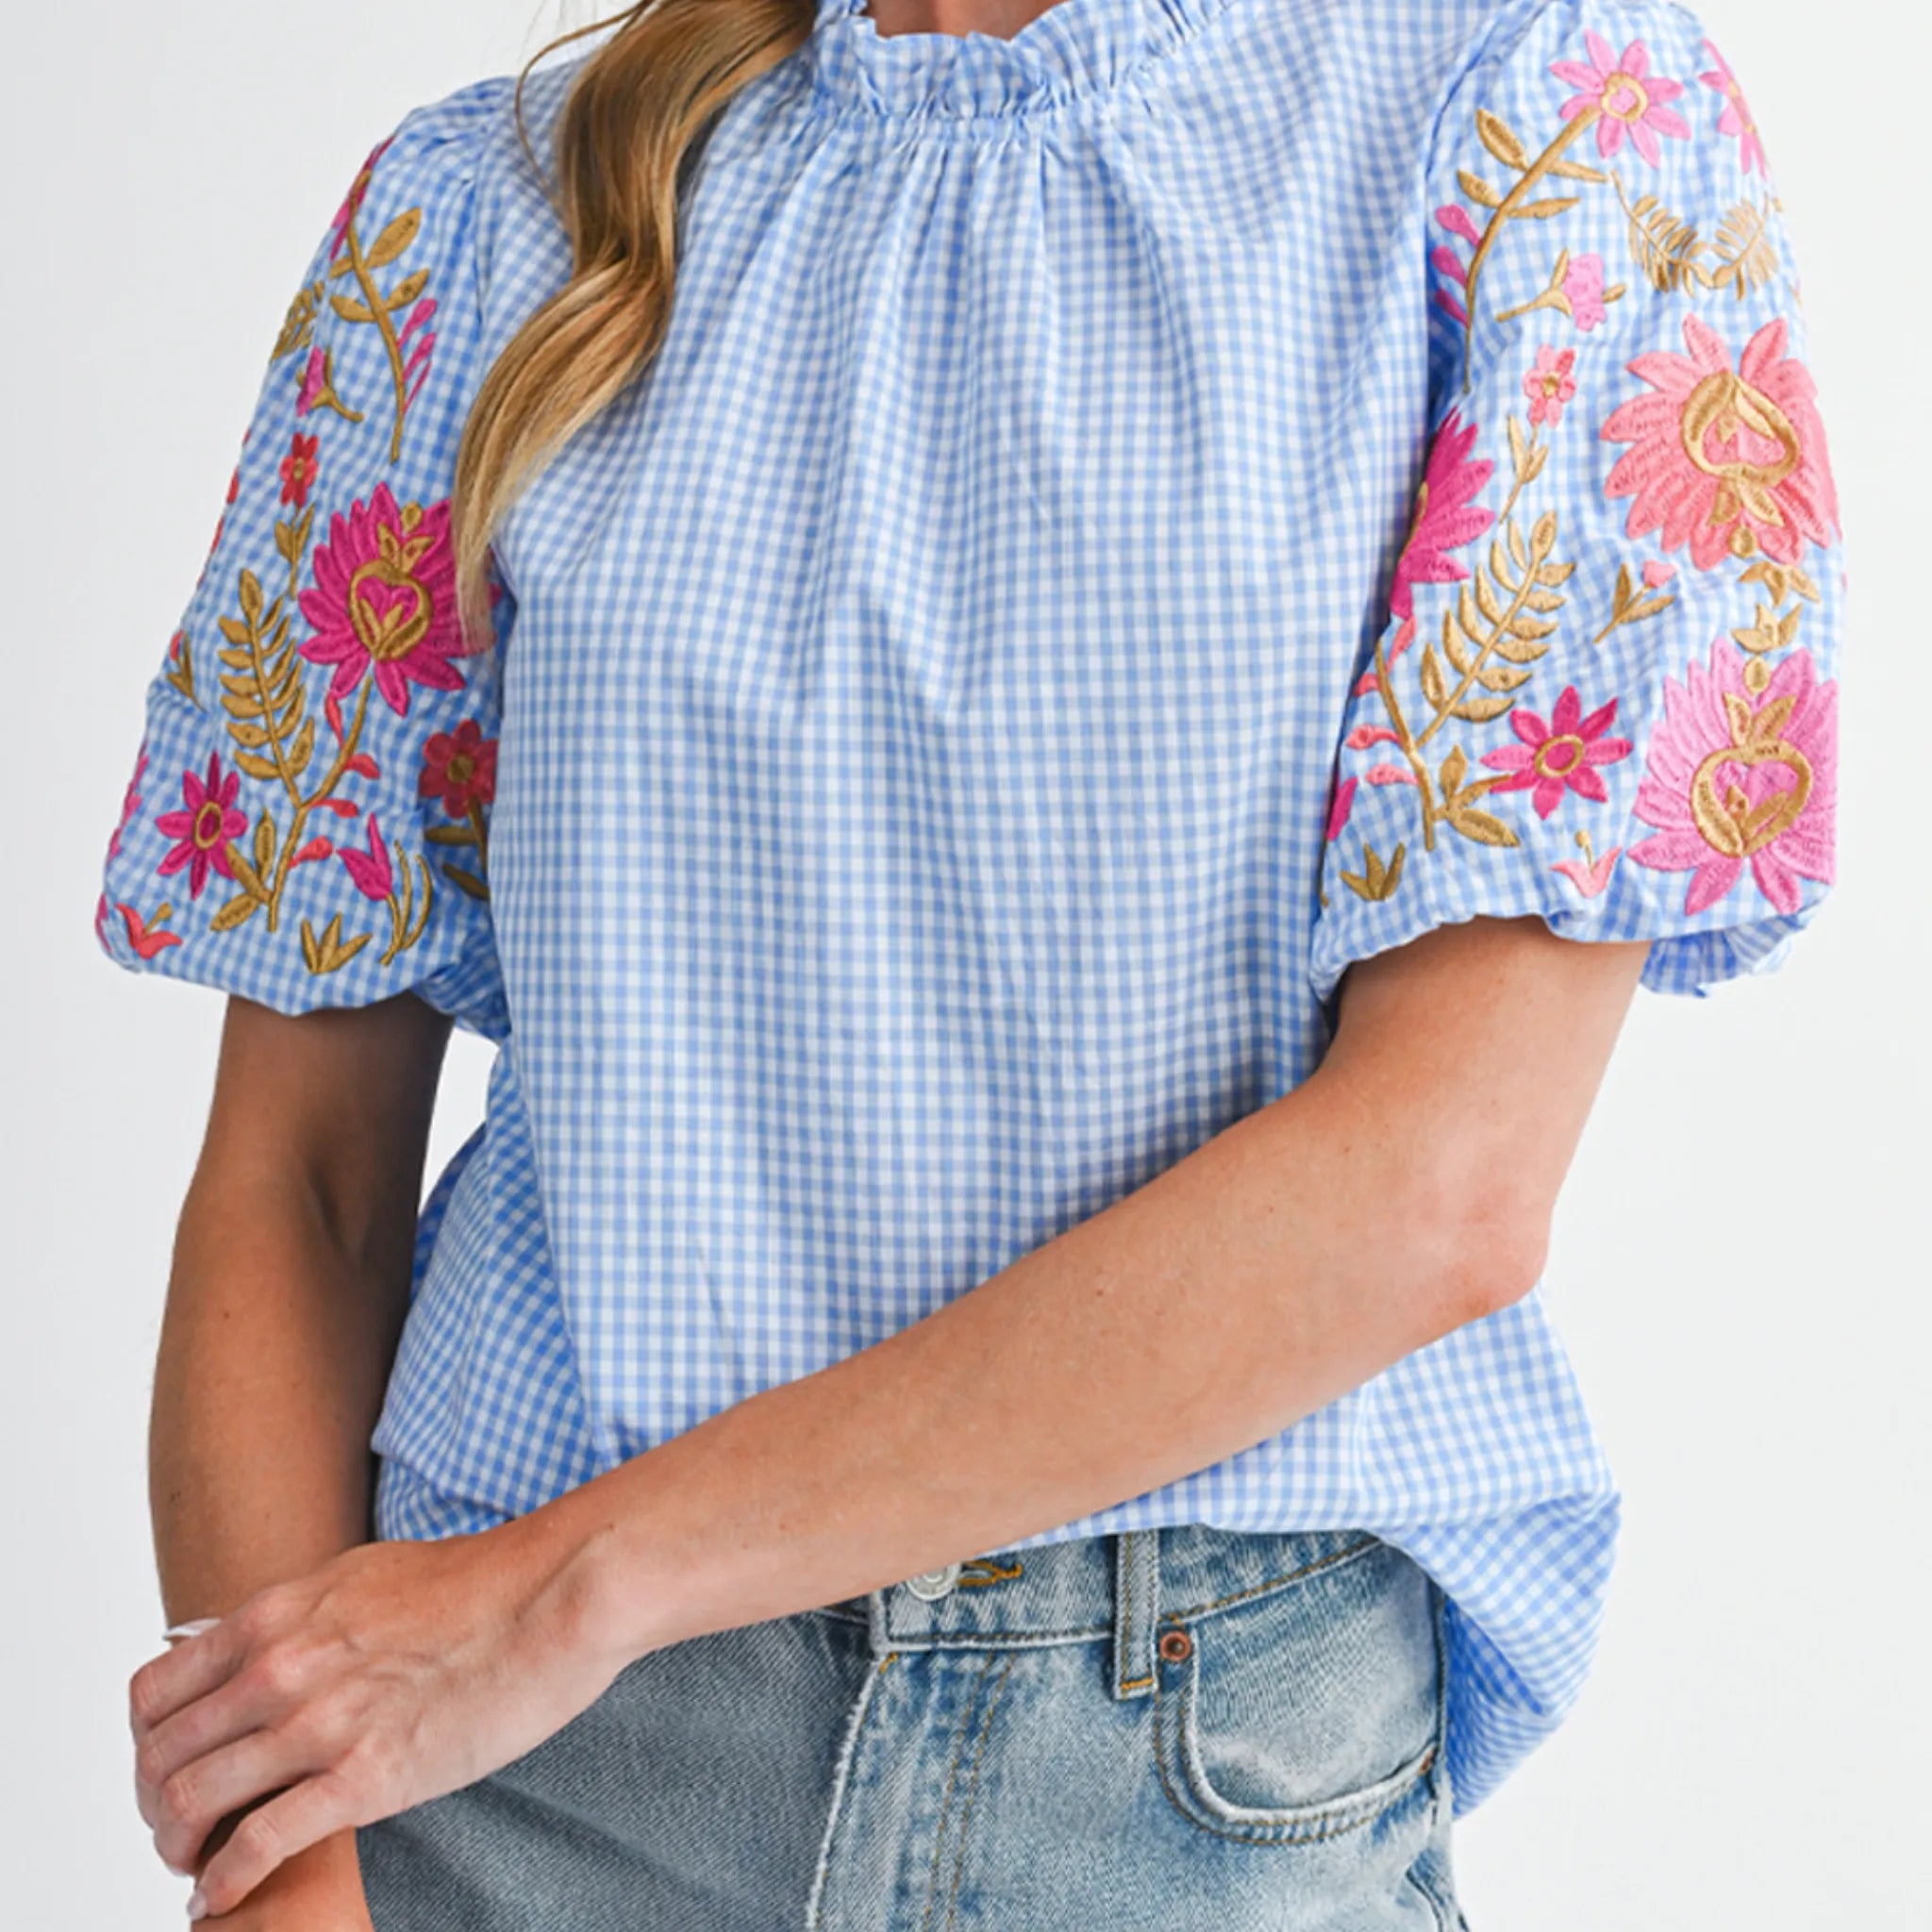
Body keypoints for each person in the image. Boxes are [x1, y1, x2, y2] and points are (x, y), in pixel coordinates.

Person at [99, 0, 1843, 1924]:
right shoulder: (484, 215)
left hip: (1175, 1783)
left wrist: (569, 1587)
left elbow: (1437, 1186)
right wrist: (287, 1866)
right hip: (509, 1791)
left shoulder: (1530, 112)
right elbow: (305, 1181)